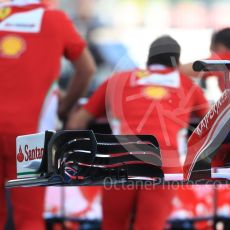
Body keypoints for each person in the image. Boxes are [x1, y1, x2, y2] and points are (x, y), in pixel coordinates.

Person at [66, 35, 209, 230]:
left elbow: (75, 124)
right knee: (150, 226)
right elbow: (214, 124)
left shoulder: (117, 80)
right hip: (165, 166)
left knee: (112, 225)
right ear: (178, 62)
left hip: (120, 162)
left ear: (148, 60)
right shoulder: (187, 85)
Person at [0, 0, 96, 229]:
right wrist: (65, 108)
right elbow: (87, 69)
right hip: (30, 138)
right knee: (29, 218)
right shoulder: (54, 19)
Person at [180, 27, 230, 92]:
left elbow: (187, 69)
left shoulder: (224, 59)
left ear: (219, 46)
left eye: (212, 50)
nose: (212, 54)